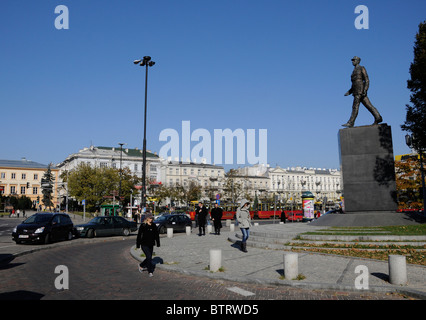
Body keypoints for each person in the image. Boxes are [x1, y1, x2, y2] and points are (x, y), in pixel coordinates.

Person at [342, 56, 383, 128]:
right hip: (356, 91)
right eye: (352, 60)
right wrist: (349, 92)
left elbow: (366, 80)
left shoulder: (361, 68)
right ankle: (378, 117)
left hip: (360, 90)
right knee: (368, 105)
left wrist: (365, 89)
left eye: (354, 60)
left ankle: (350, 122)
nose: (353, 61)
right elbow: (354, 83)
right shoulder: (353, 71)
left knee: (355, 106)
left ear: (358, 61)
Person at [136, 212, 160, 277]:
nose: (151, 219)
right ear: (147, 218)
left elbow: (156, 235)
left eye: (152, 218)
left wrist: (158, 243)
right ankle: (150, 271)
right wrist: (138, 244)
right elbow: (139, 235)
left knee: (149, 258)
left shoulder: (154, 225)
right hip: (144, 244)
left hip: (151, 244)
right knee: (149, 257)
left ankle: (141, 265)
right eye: (150, 218)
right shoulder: (143, 226)